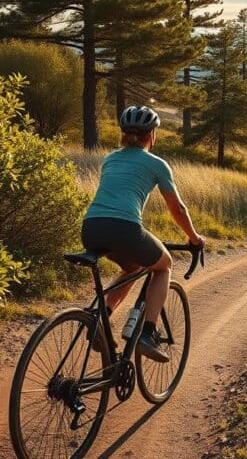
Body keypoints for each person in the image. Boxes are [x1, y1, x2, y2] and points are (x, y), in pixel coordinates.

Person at [81, 106, 204, 362]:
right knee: (164, 264)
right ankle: (147, 334)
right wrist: (194, 238)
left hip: (91, 227)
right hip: (124, 228)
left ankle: (100, 321)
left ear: (124, 134)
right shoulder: (156, 163)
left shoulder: (111, 159)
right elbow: (177, 208)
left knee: (134, 267)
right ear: (152, 135)